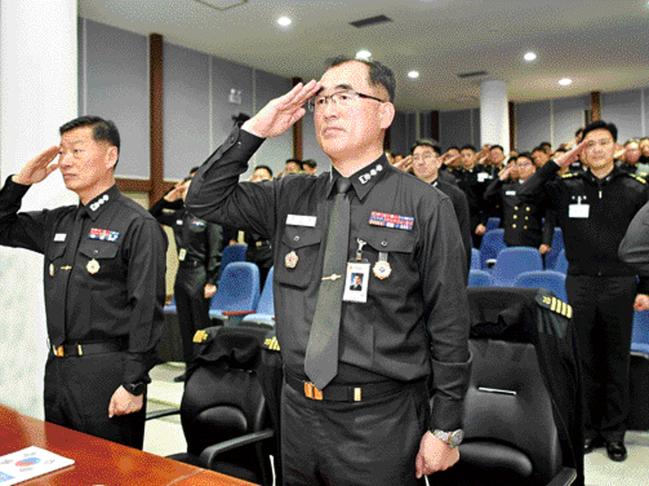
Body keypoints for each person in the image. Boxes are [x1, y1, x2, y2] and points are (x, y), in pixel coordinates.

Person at [186, 57, 471, 485]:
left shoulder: (425, 205)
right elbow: (203, 199)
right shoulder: (290, 194)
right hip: (297, 411)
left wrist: (444, 427)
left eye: (344, 96)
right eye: (321, 100)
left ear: (385, 113)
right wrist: (257, 129)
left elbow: (449, 323)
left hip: (381, 418)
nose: (329, 109)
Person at [0, 116, 167, 448]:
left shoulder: (137, 224)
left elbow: (146, 309)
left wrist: (134, 384)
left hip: (108, 375)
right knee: (62, 468)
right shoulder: (60, 221)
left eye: (77, 150)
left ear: (110, 157)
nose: (65, 162)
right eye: (62, 152)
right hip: (59, 371)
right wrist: (20, 182)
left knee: (111, 475)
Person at [518, 119, 648, 462]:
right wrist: (558, 161)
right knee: (585, 360)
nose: (597, 150)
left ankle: (614, 433)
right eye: (589, 144)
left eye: (603, 142)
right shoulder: (566, 186)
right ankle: (588, 430)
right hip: (580, 282)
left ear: (616, 147)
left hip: (621, 283)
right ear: (581, 151)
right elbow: (526, 191)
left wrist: (646, 285)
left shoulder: (637, 187)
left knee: (616, 361)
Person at [150, 169, 223, 382]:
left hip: (199, 272)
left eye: (189, 189)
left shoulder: (210, 216)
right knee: (184, 325)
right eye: (183, 189)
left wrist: (211, 280)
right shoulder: (180, 215)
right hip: (182, 272)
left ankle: (205, 367)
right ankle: (191, 367)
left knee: (200, 325)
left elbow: (215, 251)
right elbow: (152, 215)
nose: (184, 192)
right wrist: (168, 197)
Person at [410, 139, 472, 277]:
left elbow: (463, 239)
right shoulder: (403, 193)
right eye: (416, 158)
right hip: (410, 268)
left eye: (426, 156)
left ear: (438, 162)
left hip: (444, 267)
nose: (420, 162)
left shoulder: (455, 195)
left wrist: (462, 275)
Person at [484, 153, 554, 253]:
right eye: (519, 165)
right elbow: (487, 195)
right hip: (511, 239)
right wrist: (500, 179)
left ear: (534, 168)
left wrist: (546, 241)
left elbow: (549, 218)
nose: (522, 168)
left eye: (526, 164)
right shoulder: (508, 188)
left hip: (533, 239)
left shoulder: (542, 188)